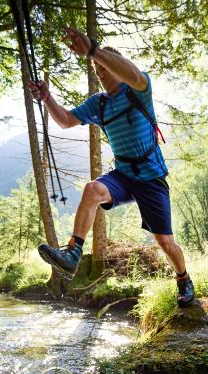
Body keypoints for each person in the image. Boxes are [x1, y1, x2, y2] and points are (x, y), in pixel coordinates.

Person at [29, 26, 194, 307]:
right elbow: (67, 120)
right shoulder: (100, 104)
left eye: (104, 69)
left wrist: (94, 51)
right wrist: (47, 99)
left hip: (152, 177)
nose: (101, 76)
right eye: (97, 72)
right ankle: (72, 253)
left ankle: (183, 278)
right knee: (92, 189)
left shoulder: (139, 90)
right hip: (123, 175)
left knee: (165, 242)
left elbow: (133, 74)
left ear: (115, 66)